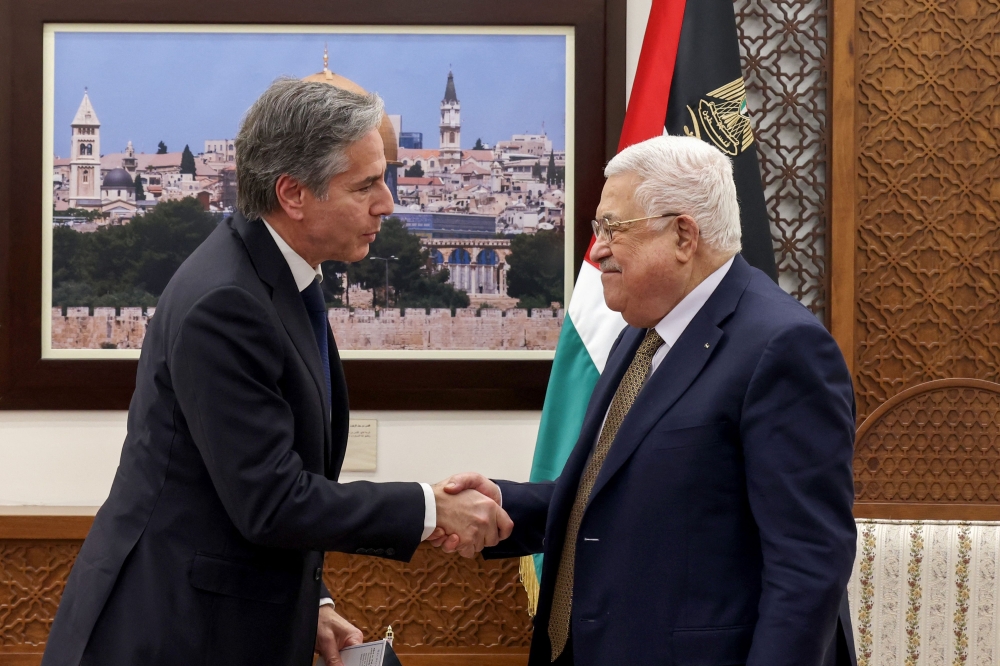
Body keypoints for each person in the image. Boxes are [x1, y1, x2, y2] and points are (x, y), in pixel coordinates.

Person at [41, 79, 511, 666]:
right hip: (170, 635)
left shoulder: (274, 276)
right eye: (365, 185)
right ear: (293, 193)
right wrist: (429, 508)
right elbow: (269, 500)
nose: (387, 203)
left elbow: (246, 485)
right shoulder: (227, 302)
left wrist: (310, 599)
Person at [436, 135, 858, 666]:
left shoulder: (783, 348)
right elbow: (615, 498)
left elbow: (808, 563)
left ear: (684, 234)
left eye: (613, 228)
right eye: (597, 229)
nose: (597, 250)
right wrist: (500, 502)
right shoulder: (640, 331)